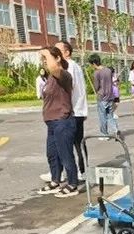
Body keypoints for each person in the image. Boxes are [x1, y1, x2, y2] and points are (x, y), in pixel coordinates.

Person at [37, 47, 78, 197]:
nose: (44, 62)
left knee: (65, 154)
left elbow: (54, 68)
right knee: (52, 154)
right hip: (52, 123)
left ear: (58, 58)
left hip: (63, 121)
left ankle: (73, 184)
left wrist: (45, 52)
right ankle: (55, 180)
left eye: (47, 58)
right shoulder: (50, 78)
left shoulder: (64, 75)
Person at [54, 41, 88, 181]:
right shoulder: (74, 66)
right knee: (75, 142)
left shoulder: (69, 66)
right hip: (76, 110)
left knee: (72, 143)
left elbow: (69, 86)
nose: (54, 53)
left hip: (73, 111)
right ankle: (78, 171)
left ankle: (78, 171)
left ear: (67, 52)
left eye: (57, 51)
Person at [88, 53, 119, 140]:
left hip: (102, 97)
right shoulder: (108, 70)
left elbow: (96, 86)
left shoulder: (97, 73)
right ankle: (115, 130)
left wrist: (96, 91)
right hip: (110, 96)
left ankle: (104, 134)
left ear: (94, 63)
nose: (92, 66)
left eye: (91, 64)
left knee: (103, 116)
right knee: (110, 115)